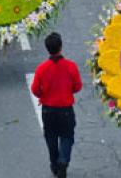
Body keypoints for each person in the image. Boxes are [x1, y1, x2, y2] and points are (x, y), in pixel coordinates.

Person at [31, 33, 82, 178]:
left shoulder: (42, 68)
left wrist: (44, 94)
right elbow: (77, 86)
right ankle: (63, 160)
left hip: (48, 110)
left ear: (47, 49)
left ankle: (54, 164)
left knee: (51, 137)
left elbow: (35, 89)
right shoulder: (71, 66)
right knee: (67, 136)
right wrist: (67, 90)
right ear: (61, 47)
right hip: (66, 109)